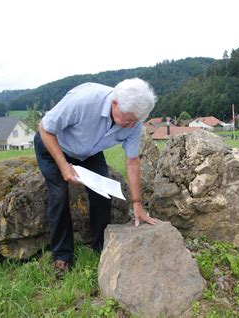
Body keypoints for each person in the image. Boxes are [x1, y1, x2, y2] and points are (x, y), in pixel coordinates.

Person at [34, 78, 157, 278]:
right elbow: (45, 128)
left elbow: (132, 160)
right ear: (115, 103)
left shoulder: (134, 122)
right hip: (55, 145)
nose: (131, 125)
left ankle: (100, 246)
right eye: (128, 119)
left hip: (88, 153)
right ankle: (62, 256)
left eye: (136, 121)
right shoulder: (84, 101)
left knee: (103, 193)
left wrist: (137, 203)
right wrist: (64, 166)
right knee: (59, 194)